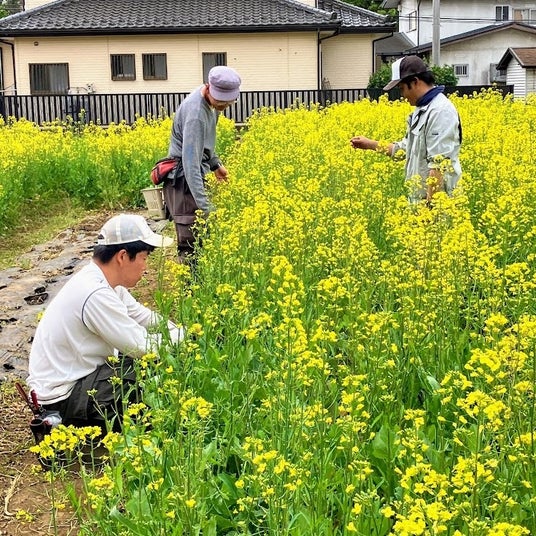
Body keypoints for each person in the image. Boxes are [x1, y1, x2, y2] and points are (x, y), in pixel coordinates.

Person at [26, 213, 183, 433]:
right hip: (64, 397)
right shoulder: (95, 293)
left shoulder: (106, 282)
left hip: (83, 377)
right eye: (144, 258)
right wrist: (185, 339)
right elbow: (141, 347)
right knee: (152, 381)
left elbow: (142, 316)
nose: (145, 267)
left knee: (155, 367)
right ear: (122, 256)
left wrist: (178, 330)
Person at [350, 56, 462, 203]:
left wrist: (429, 209)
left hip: (438, 206)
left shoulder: (440, 112)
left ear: (415, 82)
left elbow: (439, 166)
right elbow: (404, 150)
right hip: (420, 203)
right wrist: (370, 144)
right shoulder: (422, 110)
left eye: (402, 88)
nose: (402, 95)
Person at [163, 65, 242, 260]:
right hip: (183, 180)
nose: (224, 105)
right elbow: (190, 166)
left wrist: (215, 164)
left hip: (195, 173)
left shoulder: (211, 103)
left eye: (229, 101)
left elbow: (205, 142)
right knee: (191, 241)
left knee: (202, 239)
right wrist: (205, 207)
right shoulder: (196, 115)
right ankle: (191, 281)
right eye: (221, 100)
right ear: (209, 88)